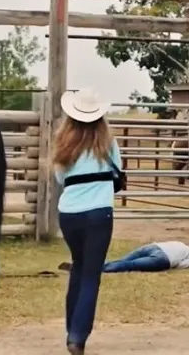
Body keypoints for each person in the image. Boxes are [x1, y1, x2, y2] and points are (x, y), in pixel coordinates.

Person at [52, 88, 123, 355]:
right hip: (99, 213)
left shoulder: (63, 143)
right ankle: (77, 337)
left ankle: (72, 329)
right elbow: (118, 174)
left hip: (69, 213)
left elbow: (60, 179)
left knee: (79, 268)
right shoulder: (107, 144)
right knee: (91, 274)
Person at [58, 241, 189, 273]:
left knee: (123, 261)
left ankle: (85, 265)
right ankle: (88, 269)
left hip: (152, 246)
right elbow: (183, 265)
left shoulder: (181, 243)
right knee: (129, 266)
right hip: (163, 258)